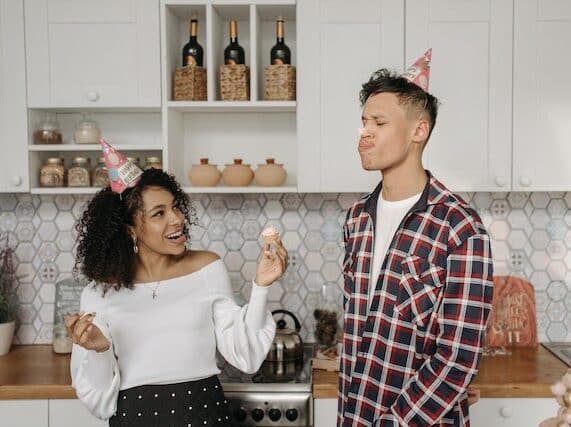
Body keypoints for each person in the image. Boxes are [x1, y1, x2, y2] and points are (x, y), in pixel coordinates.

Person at [65, 141, 288, 426]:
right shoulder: (98, 294)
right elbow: (99, 401)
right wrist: (100, 351)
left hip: (205, 415)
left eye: (175, 207)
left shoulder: (207, 268)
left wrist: (261, 286)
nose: (178, 219)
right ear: (130, 229)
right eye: (159, 213)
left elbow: (246, 355)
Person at [339, 50, 494, 426]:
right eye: (363, 122)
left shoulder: (459, 227)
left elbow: (457, 357)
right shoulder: (357, 219)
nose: (364, 133)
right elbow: (360, 330)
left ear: (418, 131)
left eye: (378, 122)